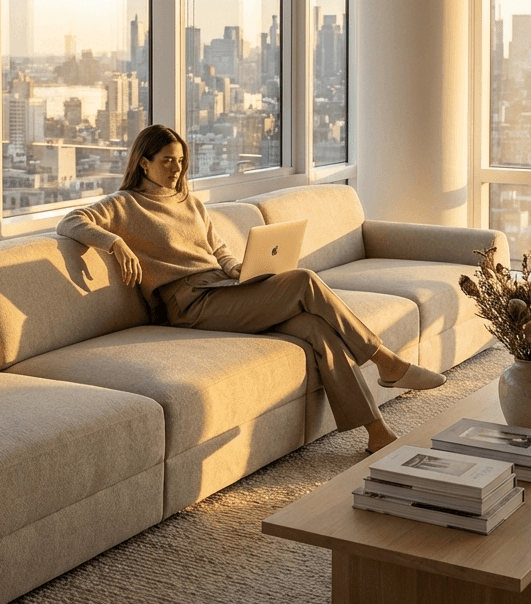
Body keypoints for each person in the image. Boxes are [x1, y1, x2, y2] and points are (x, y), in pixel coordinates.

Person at [57, 124, 446, 453]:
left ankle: (376, 432)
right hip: (188, 305)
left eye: (180, 160)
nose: (176, 168)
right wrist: (116, 243)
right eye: (167, 161)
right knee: (304, 281)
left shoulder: (189, 202)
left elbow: (217, 249)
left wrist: (239, 269)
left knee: (317, 330)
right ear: (144, 163)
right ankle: (385, 361)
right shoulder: (125, 204)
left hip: (223, 289)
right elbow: (72, 221)